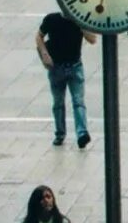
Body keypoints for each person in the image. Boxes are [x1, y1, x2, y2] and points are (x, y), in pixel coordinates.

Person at [35, 11, 96, 148]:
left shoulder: (80, 20)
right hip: (56, 66)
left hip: (75, 65)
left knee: (78, 100)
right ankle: (60, 133)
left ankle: (82, 133)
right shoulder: (52, 19)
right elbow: (39, 36)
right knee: (58, 102)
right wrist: (44, 53)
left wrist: (81, 25)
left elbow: (92, 39)